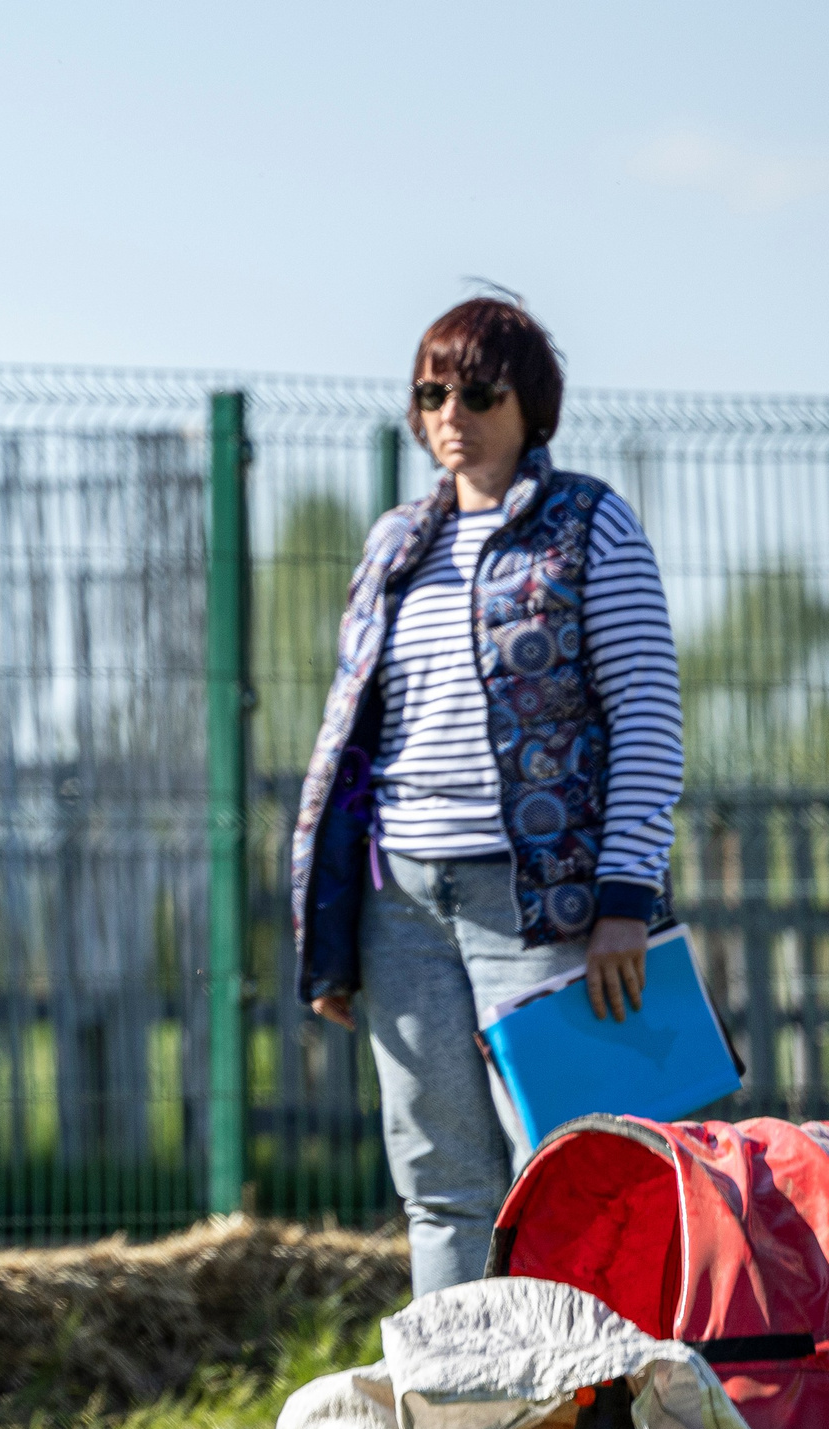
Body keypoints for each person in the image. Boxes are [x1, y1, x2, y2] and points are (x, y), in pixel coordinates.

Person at [290, 295, 684, 1297]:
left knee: (569, 1169)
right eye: (430, 393)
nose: (449, 413)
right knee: (438, 1179)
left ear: (529, 403)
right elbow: (353, 743)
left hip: (543, 903)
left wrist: (623, 901)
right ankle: (463, 1422)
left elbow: (645, 712)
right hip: (402, 905)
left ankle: (590, 1416)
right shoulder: (393, 544)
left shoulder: (589, 525)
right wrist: (335, 930)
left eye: (475, 390)